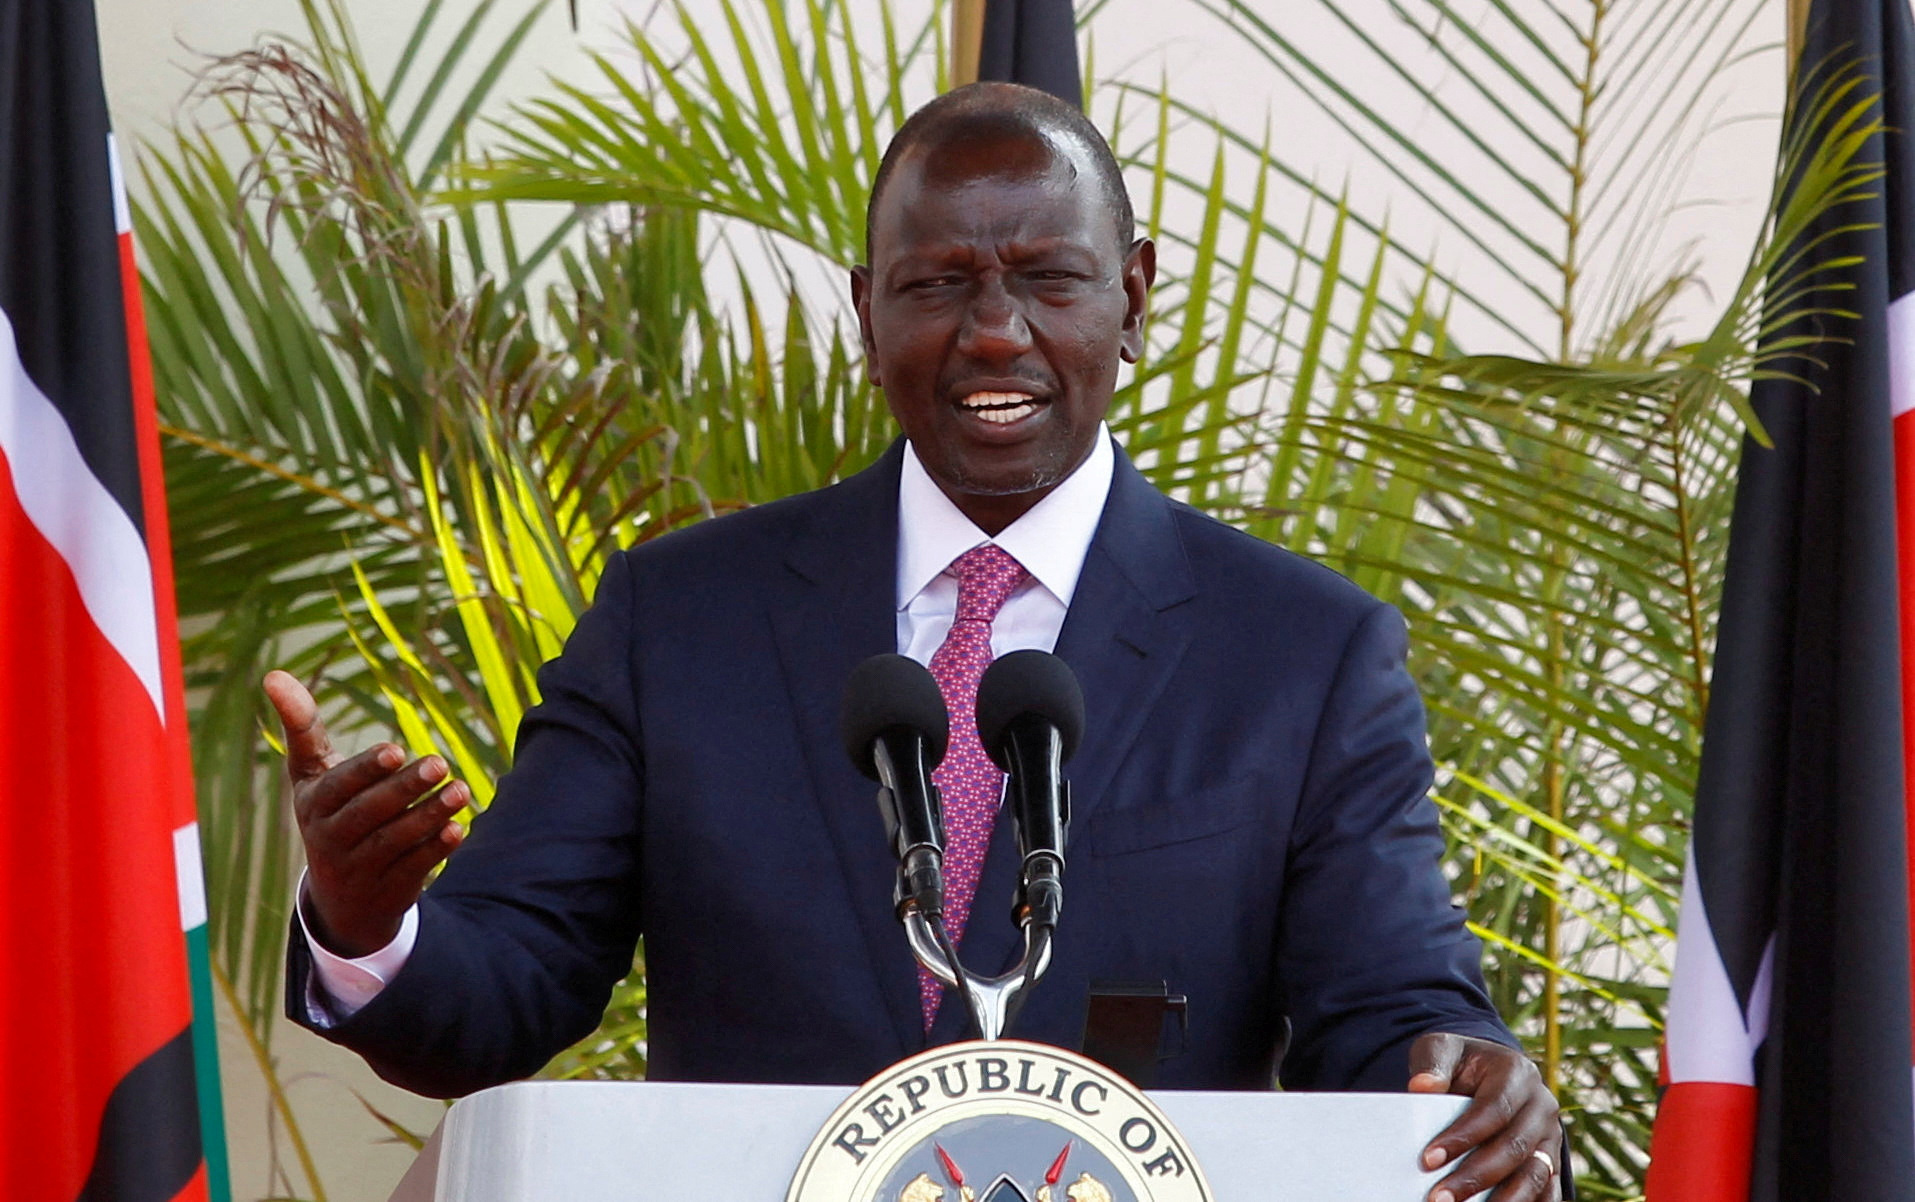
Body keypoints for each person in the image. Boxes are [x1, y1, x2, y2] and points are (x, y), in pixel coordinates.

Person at [270, 82, 1563, 1202]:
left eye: (1047, 277)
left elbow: (1391, 1011)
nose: (994, 330)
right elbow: (507, 984)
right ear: (865, 308)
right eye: (937, 283)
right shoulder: (681, 618)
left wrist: (1464, 1078)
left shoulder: (1302, 654)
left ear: (1134, 292)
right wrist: (368, 922)